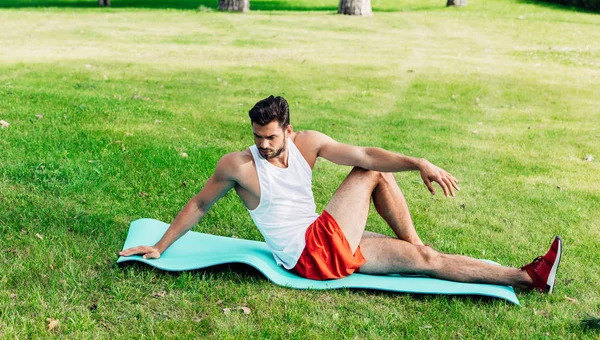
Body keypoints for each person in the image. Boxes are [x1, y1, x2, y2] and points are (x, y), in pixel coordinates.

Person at [119, 95, 562, 293]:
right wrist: (160, 246)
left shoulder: (308, 143)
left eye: (271, 136)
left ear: (289, 130)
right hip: (308, 253)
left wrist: (418, 162)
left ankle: (529, 277)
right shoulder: (237, 166)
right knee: (369, 175)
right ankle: (416, 243)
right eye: (257, 136)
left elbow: (366, 150)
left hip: (328, 242)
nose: (264, 144)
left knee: (427, 262)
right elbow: (199, 203)